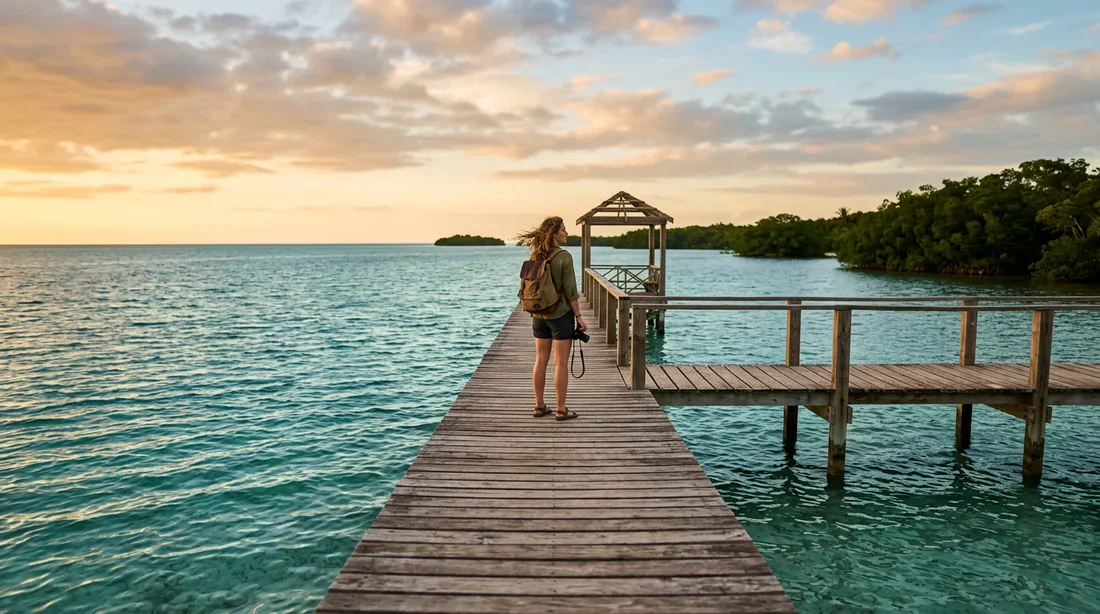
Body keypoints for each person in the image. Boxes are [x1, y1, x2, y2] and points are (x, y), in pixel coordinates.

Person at [516, 216, 587, 421]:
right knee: (560, 363)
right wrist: (579, 317)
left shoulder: (537, 254)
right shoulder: (564, 257)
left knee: (540, 360)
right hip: (560, 315)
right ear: (555, 233)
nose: (567, 233)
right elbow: (571, 291)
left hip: (538, 314)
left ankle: (539, 406)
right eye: (563, 230)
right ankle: (561, 409)